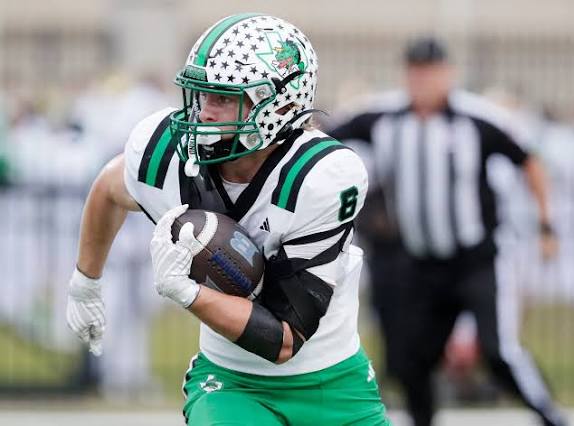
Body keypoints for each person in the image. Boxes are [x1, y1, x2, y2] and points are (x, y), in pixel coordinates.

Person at [66, 13, 390, 425]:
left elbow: (285, 340)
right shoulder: (170, 154)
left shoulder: (320, 177)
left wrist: (188, 293)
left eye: (223, 98)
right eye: (202, 95)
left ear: (281, 104)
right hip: (232, 382)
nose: (204, 112)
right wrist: (85, 283)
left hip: (332, 382)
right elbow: (110, 188)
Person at [329, 36, 566, 426]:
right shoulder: (382, 118)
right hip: (420, 264)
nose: (423, 81)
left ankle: (551, 416)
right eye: (416, 72)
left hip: (477, 261)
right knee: (411, 359)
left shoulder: (478, 118)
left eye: (431, 72)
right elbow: (325, 136)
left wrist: (546, 223)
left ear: (448, 74)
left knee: (497, 351)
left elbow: (529, 160)